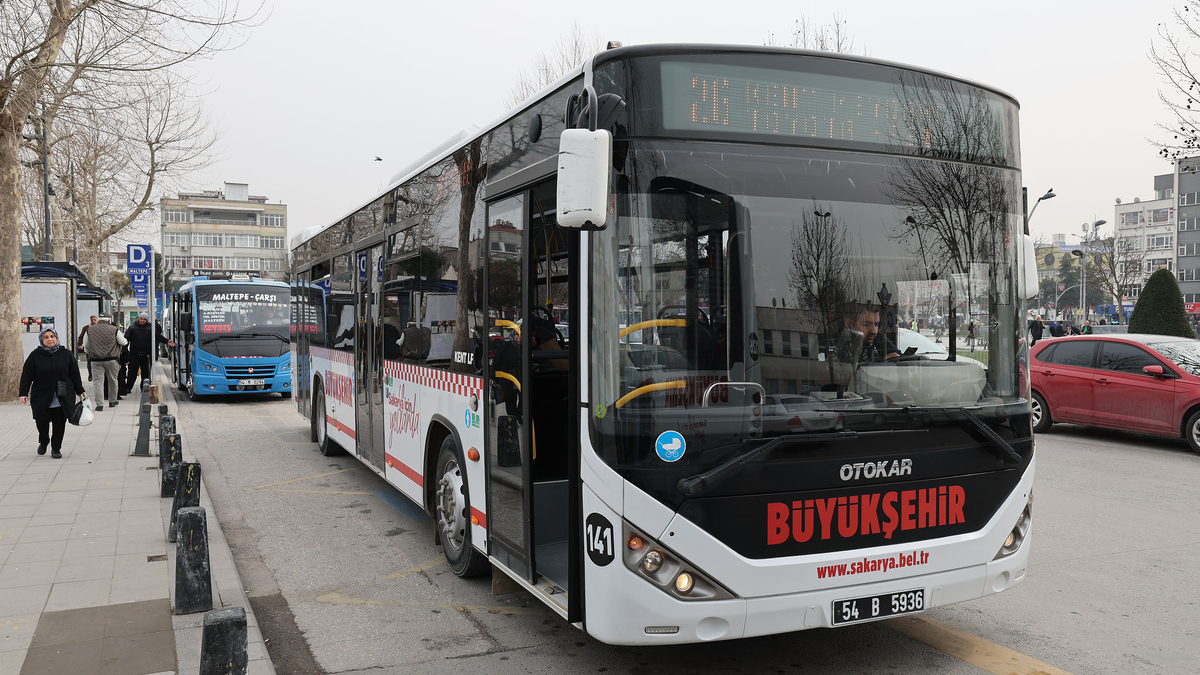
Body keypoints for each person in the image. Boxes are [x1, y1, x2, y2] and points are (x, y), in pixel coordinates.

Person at [19, 328, 86, 459]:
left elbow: (74, 374)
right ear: (42, 340)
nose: (50, 339)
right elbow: (27, 375)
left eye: (52, 336)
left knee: (59, 423)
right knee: (41, 422)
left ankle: (56, 448)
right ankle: (44, 441)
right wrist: (23, 393)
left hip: (62, 395)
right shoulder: (35, 355)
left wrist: (80, 390)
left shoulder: (66, 354)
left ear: (56, 338)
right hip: (41, 395)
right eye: (46, 337)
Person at [82, 315, 126, 410]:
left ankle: (99, 404)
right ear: (109, 320)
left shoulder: (90, 330)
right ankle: (112, 401)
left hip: (96, 360)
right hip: (112, 359)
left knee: (98, 383)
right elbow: (123, 342)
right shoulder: (114, 329)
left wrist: (90, 352)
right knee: (113, 380)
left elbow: (85, 344)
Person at [123, 313, 173, 393]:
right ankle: (128, 388)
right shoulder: (132, 328)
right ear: (138, 319)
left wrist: (167, 341)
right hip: (134, 354)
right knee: (132, 372)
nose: (142, 321)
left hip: (146, 355)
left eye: (144, 319)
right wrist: (126, 352)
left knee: (146, 373)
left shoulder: (150, 328)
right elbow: (126, 340)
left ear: (147, 320)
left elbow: (158, 336)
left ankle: (144, 388)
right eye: (141, 319)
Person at [78, 315, 98, 381]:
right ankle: (90, 374)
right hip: (89, 347)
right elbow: (81, 336)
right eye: (92, 320)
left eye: (95, 320)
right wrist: (80, 344)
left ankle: (96, 374)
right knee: (89, 361)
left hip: (98, 347)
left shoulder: (99, 327)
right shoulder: (86, 327)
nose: (93, 321)